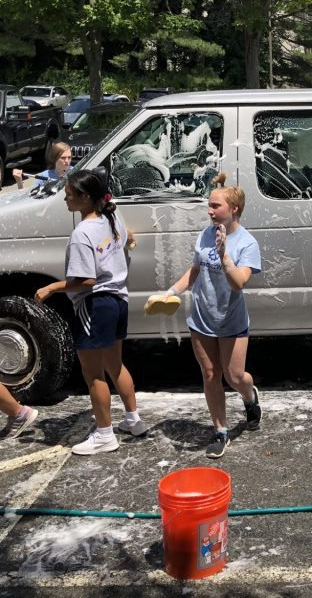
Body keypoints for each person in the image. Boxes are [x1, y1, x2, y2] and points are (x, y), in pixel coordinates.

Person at [35, 169, 144, 454]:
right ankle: (133, 420)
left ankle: (105, 434)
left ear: (85, 197)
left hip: (95, 304)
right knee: (115, 365)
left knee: (93, 374)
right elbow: (125, 239)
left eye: (69, 194)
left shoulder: (82, 233)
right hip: (118, 299)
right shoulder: (112, 216)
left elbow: (86, 280)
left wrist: (52, 287)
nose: (65, 199)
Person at [163, 173, 262, 458]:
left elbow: (238, 283)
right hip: (201, 318)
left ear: (234, 209)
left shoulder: (247, 243)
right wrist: (171, 291)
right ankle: (220, 431)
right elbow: (195, 269)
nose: (210, 211)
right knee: (210, 374)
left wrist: (224, 255)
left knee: (235, 376)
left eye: (215, 206)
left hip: (231, 320)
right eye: (209, 205)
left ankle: (249, 396)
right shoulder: (206, 234)